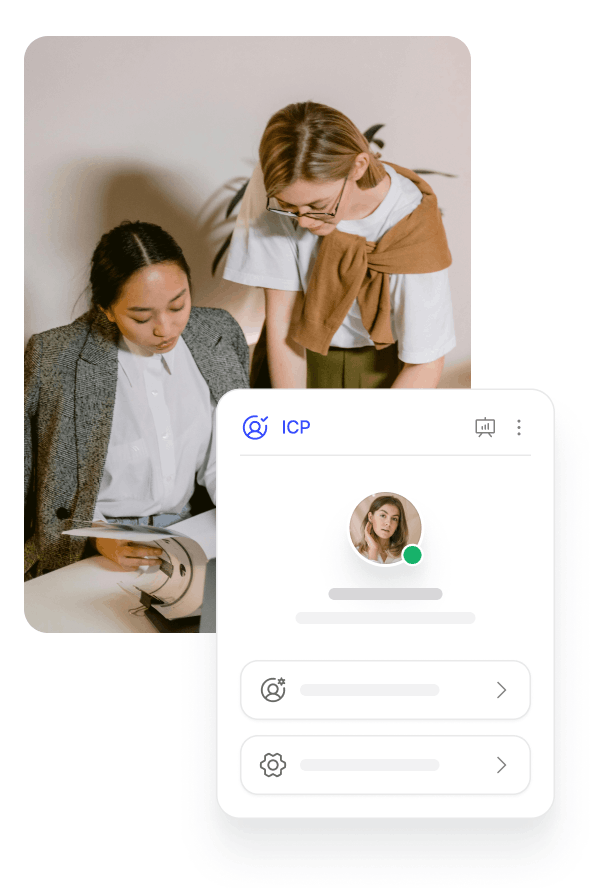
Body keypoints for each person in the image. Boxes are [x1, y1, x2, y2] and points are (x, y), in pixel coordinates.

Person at [25, 221, 249, 577]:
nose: (165, 328)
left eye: (178, 305)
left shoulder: (217, 333)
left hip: (195, 535)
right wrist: (101, 538)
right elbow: (38, 481)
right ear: (106, 309)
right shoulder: (54, 357)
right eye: (142, 316)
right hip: (92, 546)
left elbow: (229, 455)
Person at [223, 101, 455, 389]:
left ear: (358, 166)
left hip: (383, 368)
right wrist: (293, 421)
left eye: (318, 205)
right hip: (291, 355)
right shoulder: (280, 181)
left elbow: (426, 359)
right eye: (290, 207)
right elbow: (283, 321)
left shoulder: (411, 222)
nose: (304, 221)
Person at [355, 496, 408, 564]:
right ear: (371, 517)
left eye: (394, 519)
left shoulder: (406, 555)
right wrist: (373, 550)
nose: (388, 523)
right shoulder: (355, 553)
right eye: (383, 515)